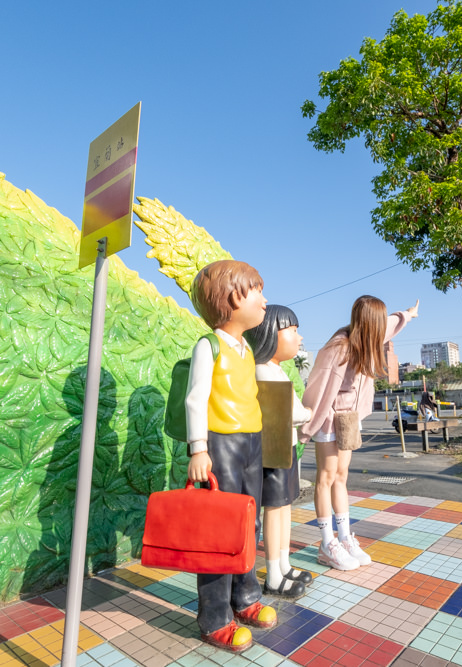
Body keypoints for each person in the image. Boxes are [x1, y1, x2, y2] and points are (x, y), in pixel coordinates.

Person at [185, 260, 276, 652]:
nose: (264, 300)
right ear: (232, 298)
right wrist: (198, 448)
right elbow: (195, 398)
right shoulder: (210, 346)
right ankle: (215, 616)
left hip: (251, 442)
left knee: (248, 523)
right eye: (257, 292)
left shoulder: (245, 348)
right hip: (219, 445)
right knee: (217, 532)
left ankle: (246, 596)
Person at [299, 296, 419, 570]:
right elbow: (318, 388)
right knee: (326, 476)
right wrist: (307, 426)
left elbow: (391, 324)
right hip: (329, 418)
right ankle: (326, 543)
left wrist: (409, 314)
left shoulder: (369, 338)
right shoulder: (337, 348)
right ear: (369, 323)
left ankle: (344, 537)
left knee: (341, 476)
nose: (382, 331)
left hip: (350, 417)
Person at [244, 305, 314, 598]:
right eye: (293, 331)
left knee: (284, 508)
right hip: (272, 453)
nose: (298, 338)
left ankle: (283, 565)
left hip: (283, 449)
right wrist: (309, 412)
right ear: (271, 334)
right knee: (275, 509)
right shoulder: (265, 371)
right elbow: (294, 412)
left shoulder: (273, 369)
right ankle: (274, 574)